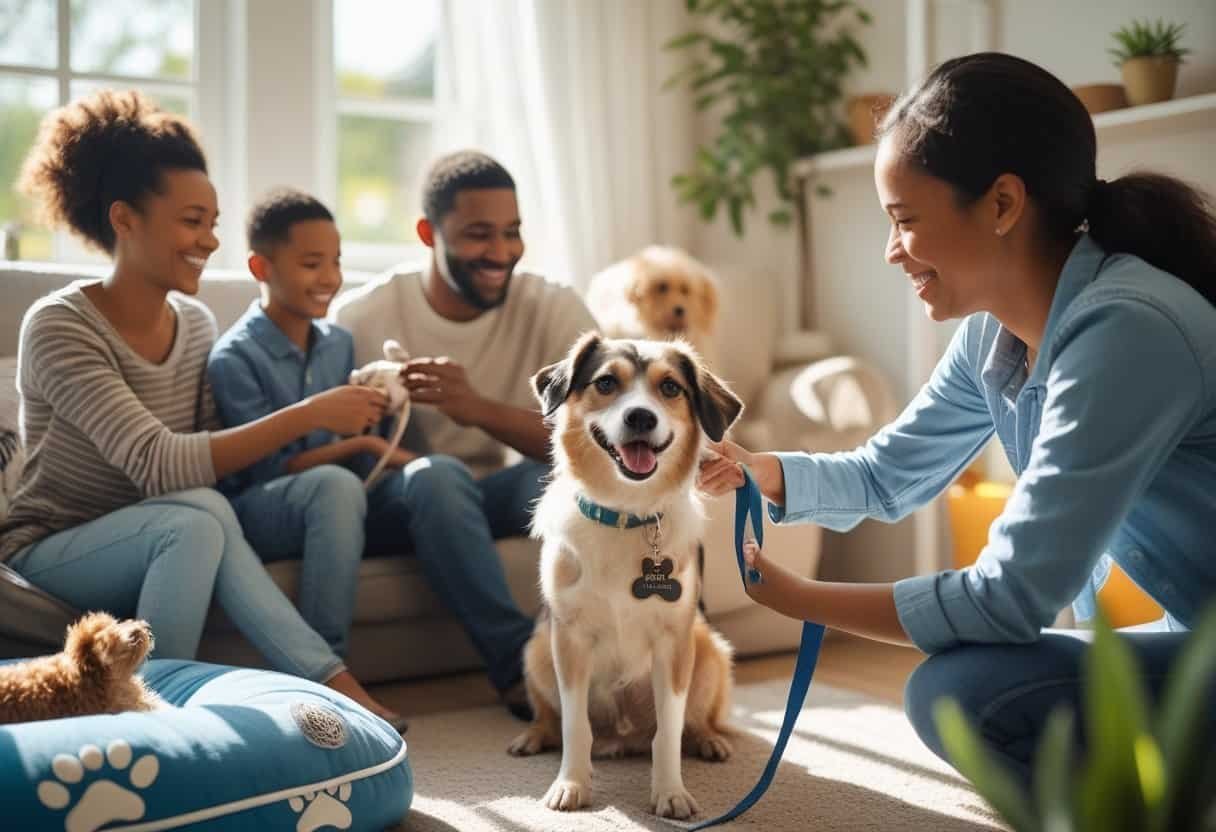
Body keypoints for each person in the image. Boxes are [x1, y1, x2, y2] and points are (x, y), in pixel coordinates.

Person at [696, 52, 1216, 783]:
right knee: (967, 689)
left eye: (905, 220)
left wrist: (802, 599)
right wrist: (763, 470)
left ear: (1003, 204)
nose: (890, 251)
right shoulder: (994, 335)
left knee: (964, 696)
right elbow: (888, 474)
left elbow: (1009, 599)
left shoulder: (1127, 331)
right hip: (1196, 635)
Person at [0, 89, 398, 724]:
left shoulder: (195, 323)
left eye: (213, 222)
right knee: (192, 517)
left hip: (166, 530)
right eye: (192, 221)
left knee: (202, 513)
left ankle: (324, 683)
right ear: (125, 219)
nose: (209, 240)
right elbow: (158, 464)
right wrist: (311, 412)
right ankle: (149, 710)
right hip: (52, 547)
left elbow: (210, 460)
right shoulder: (59, 326)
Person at [331, 150, 598, 718]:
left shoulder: (550, 305)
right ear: (429, 233)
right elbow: (326, 454)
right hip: (394, 499)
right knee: (437, 477)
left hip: (485, 495)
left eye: (512, 232)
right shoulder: (363, 317)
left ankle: (632, 661)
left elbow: (596, 442)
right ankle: (522, 673)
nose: (500, 252)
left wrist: (475, 408)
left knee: (562, 480)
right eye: (479, 235)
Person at [207, 188, 413, 730]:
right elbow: (268, 468)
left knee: (427, 480)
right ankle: (328, 676)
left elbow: (363, 437)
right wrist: (361, 446)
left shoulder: (338, 344)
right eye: (311, 263)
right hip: (261, 508)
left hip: (334, 496)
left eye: (336, 261)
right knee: (336, 486)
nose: (330, 277)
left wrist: (385, 424)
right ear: (261, 266)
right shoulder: (235, 357)